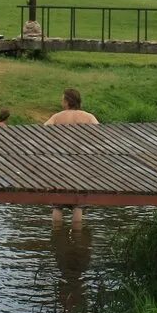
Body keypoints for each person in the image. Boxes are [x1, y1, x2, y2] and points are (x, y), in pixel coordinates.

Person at [44, 88, 98, 227]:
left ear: (67, 101)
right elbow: (99, 135)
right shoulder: (88, 117)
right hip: (81, 162)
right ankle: (77, 235)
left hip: (60, 162)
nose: (61, 101)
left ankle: (56, 234)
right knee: (79, 204)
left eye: (63, 99)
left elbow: (43, 131)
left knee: (57, 204)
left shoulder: (57, 117)